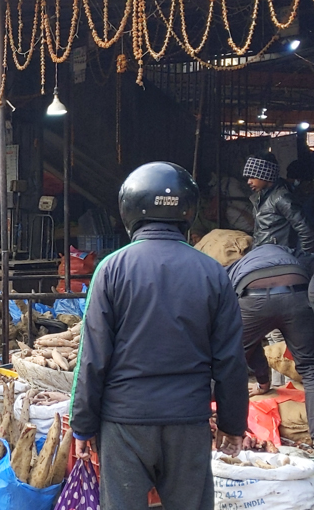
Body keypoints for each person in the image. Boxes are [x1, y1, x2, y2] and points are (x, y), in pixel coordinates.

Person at [70, 162, 249, 510]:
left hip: (125, 423)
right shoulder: (212, 272)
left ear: (130, 209)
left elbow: (92, 358)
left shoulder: (111, 269)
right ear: (188, 211)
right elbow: (230, 359)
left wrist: (82, 425)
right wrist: (232, 423)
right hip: (188, 421)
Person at [225, 244, 314, 440]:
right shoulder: (292, 253)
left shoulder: (235, 267)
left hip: (252, 298)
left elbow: (249, 348)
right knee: (310, 369)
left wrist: (262, 382)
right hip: (297, 294)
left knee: (230, 363)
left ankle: (230, 433)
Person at [244, 153, 314, 252]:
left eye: (252, 177)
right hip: (263, 254)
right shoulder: (260, 198)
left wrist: (302, 258)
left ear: (265, 174)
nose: (249, 182)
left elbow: (306, 231)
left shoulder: (282, 198)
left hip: (277, 258)